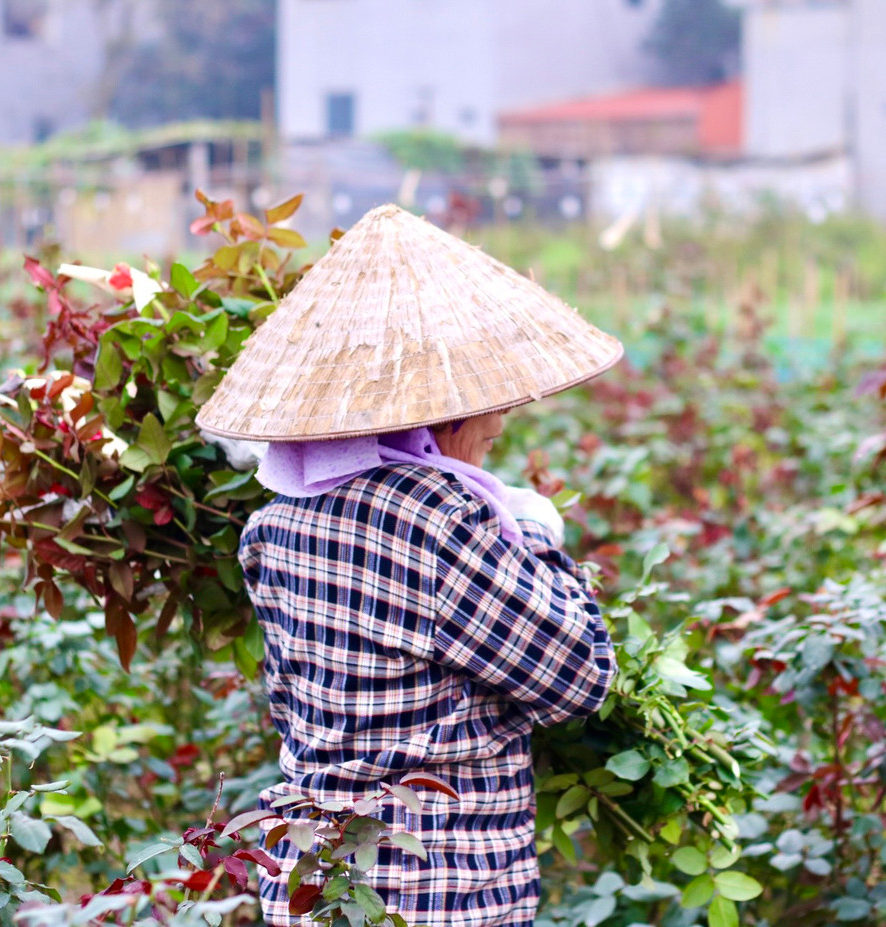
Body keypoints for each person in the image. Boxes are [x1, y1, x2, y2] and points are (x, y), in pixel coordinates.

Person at [197, 204, 623, 927]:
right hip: (435, 895)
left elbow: (295, 708)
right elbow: (581, 674)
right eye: (488, 422)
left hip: (316, 885)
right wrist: (531, 532)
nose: (496, 428)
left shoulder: (271, 529)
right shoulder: (441, 523)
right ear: (439, 416)